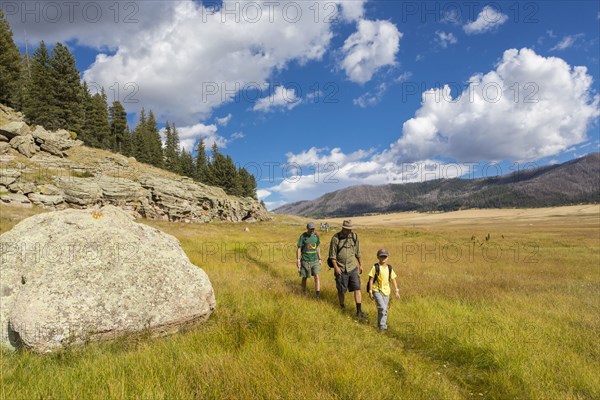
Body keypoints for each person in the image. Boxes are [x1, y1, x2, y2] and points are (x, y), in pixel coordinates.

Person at [329, 220, 366, 318]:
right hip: (340, 268)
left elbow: (358, 252)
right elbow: (332, 256)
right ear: (343, 228)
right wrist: (336, 267)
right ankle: (342, 307)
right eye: (348, 229)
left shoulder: (354, 237)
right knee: (341, 290)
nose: (350, 230)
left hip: (353, 267)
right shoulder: (335, 238)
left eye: (351, 229)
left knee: (357, 288)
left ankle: (359, 311)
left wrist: (361, 264)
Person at [367, 248, 400, 332]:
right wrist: (370, 292)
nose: (383, 258)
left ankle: (380, 327)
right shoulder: (375, 267)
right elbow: (371, 280)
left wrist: (396, 291)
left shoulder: (389, 268)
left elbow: (393, 280)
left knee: (383, 310)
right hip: (376, 290)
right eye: (381, 256)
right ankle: (383, 327)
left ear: (388, 257)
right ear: (378, 257)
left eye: (385, 256)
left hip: (386, 292)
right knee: (383, 308)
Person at [296, 222, 322, 298]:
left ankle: (318, 295)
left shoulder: (316, 236)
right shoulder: (303, 236)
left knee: (317, 277)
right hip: (305, 260)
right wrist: (298, 260)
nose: (312, 230)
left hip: (315, 260)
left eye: (313, 229)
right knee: (304, 277)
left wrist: (320, 258)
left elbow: (317, 247)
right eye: (311, 229)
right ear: (307, 228)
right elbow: (299, 248)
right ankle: (303, 293)